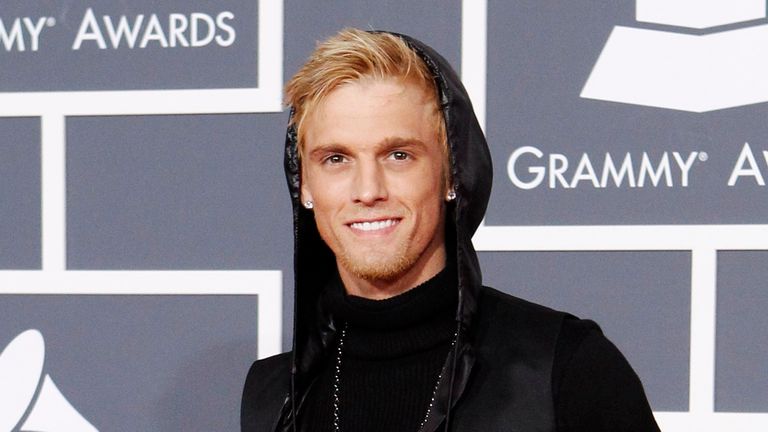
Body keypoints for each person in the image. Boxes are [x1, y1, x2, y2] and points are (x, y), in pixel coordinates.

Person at [241, 28, 660, 432]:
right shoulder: (273, 396)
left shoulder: (566, 368)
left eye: (399, 155)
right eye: (336, 159)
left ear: (451, 176)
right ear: (306, 186)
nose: (367, 190)